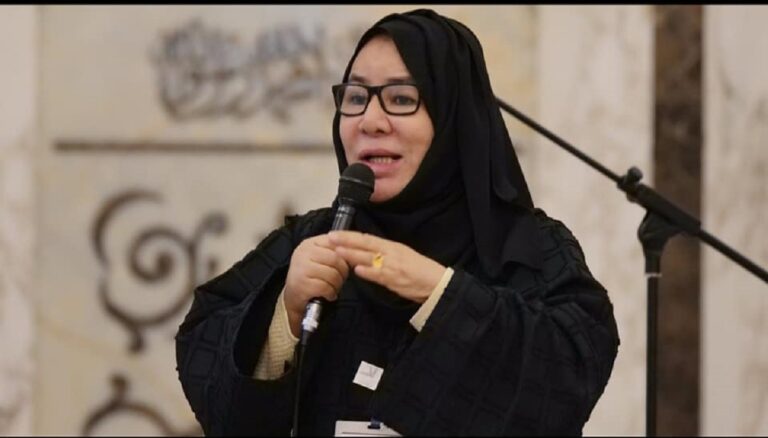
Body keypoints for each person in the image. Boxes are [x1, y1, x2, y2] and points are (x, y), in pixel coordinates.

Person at [175, 8, 620, 436]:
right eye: (356, 98)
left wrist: (439, 292)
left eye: (402, 99)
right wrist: (285, 314)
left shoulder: (527, 247)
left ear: (453, 116)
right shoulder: (315, 239)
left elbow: (570, 377)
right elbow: (207, 362)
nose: (370, 121)